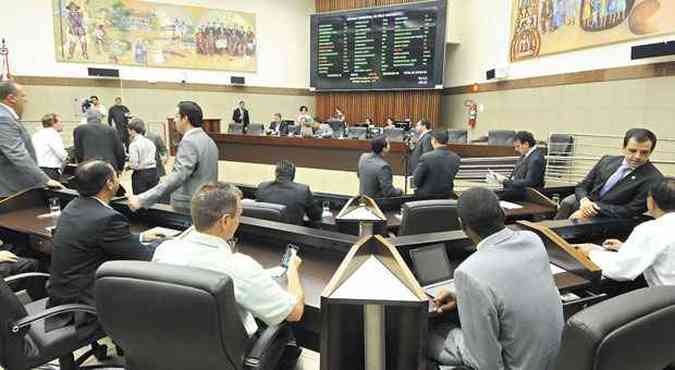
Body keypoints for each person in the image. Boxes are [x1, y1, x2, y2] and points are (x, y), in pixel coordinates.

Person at [429, 187, 563, 370]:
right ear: (503, 213)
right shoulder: (533, 240)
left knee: (428, 337)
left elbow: (485, 363)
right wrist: (462, 296)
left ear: (462, 226)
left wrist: (452, 335)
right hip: (551, 363)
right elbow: (511, 288)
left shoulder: (468, 272)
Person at [153, 182, 305, 340]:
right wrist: (292, 269)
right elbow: (295, 312)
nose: (238, 221)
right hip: (228, 356)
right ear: (225, 221)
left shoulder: (164, 250)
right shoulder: (240, 267)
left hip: (176, 346)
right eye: (238, 215)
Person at [46, 160, 159, 330]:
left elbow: (108, 240)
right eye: (116, 176)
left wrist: (141, 236)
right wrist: (167, 244)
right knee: (155, 292)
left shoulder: (72, 206)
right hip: (85, 304)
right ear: (109, 183)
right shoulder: (106, 218)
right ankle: (141, 348)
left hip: (61, 296)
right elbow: (144, 256)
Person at [577, 177, 675, 287]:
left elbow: (620, 270)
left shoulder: (650, 229)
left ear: (652, 202)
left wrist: (590, 252)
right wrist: (626, 248)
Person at [128, 101, 218, 214]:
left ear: (185, 118)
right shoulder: (209, 141)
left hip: (189, 206)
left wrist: (142, 199)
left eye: (176, 116)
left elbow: (178, 176)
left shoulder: (189, 142)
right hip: (206, 202)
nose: (174, 120)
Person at [555, 128, 663, 220]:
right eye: (632, 150)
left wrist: (593, 209)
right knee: (567, 203)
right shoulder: (607, 161)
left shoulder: (654, 178)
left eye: (644, 152)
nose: (637, 156)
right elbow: (583, 185)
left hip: (610, 217)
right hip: (584, 204)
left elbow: (631, 210)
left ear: (651, 152)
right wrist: (584, 201)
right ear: (624, 148)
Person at [0, 81, 62, 198]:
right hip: (12, 188)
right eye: (22, 95)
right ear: (11, 98)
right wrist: (45, 180)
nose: (25, 99)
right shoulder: (4, 118)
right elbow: (17, 153)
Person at [256, 160, 322, 225]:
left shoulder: (262, 187)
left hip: (264, 233)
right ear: (293, 175)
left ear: (276, 173)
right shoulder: (303, 190)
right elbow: (316, 216)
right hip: (291, 234)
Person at [491, 131, 546, 200]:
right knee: (491, 193)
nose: (516, 149)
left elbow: (529, 182)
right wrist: (502, 179)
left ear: (526, 144)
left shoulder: (536, 159)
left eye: (518, 146)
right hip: (517, 191)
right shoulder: (526, 155)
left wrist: (505, 181)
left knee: (493, 196)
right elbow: (516, 175)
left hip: (527, 196)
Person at [73, 108, 126, 172]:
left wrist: (81, 165)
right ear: (100, 118)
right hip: (109, 167)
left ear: (87, 118)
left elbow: (78, 151)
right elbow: (120, 151)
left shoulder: (79, 130)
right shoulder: (112, 130)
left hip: (90, 167)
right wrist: (120, 168)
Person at [413, 129, 460, 198]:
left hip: (425, 197)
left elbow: (416, 181)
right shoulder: (456, 158)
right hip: (446, 195)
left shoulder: (426, 157)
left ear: (433, 140)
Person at [127, 118, 158, 195]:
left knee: (140, 201)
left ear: (133, 130)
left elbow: (134, 164)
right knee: (153, 199)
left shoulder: (133, 144)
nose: (129, 133)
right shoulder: (150, 142)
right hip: (153, 172)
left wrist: (128, 166)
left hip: (141, 175)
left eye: (129, 130)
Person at [32, 113, 67, 181]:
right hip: (50, 171)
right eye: (61, 122)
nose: (63, 124)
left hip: (37, 169)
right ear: (54, 123)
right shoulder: (53, 134)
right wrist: (68, 157)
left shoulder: (36, 134)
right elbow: (62, 154)